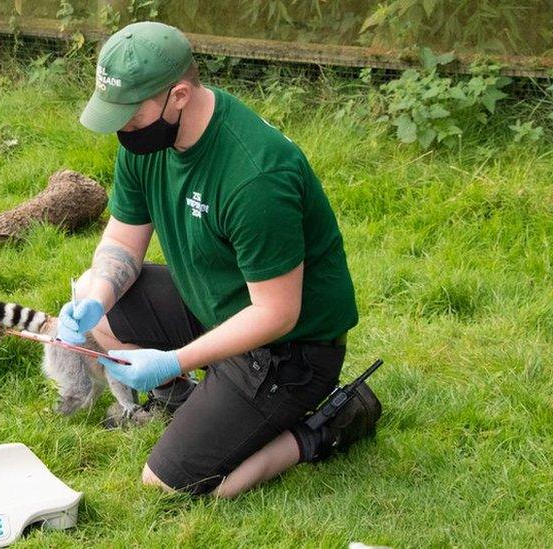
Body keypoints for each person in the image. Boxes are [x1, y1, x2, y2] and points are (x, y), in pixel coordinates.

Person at [58, 21, 382, 498]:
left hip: (288, 349)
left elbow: (277, 313)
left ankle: (323, 428)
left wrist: (173, 360)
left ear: (180, 95)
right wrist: (98, 298)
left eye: (130, 113)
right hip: (213, 300)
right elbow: (124, 242)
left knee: (175, 485)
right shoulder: (149, 138)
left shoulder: (256, 176)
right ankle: (189, 402)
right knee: (93, 292)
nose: (121, 126)